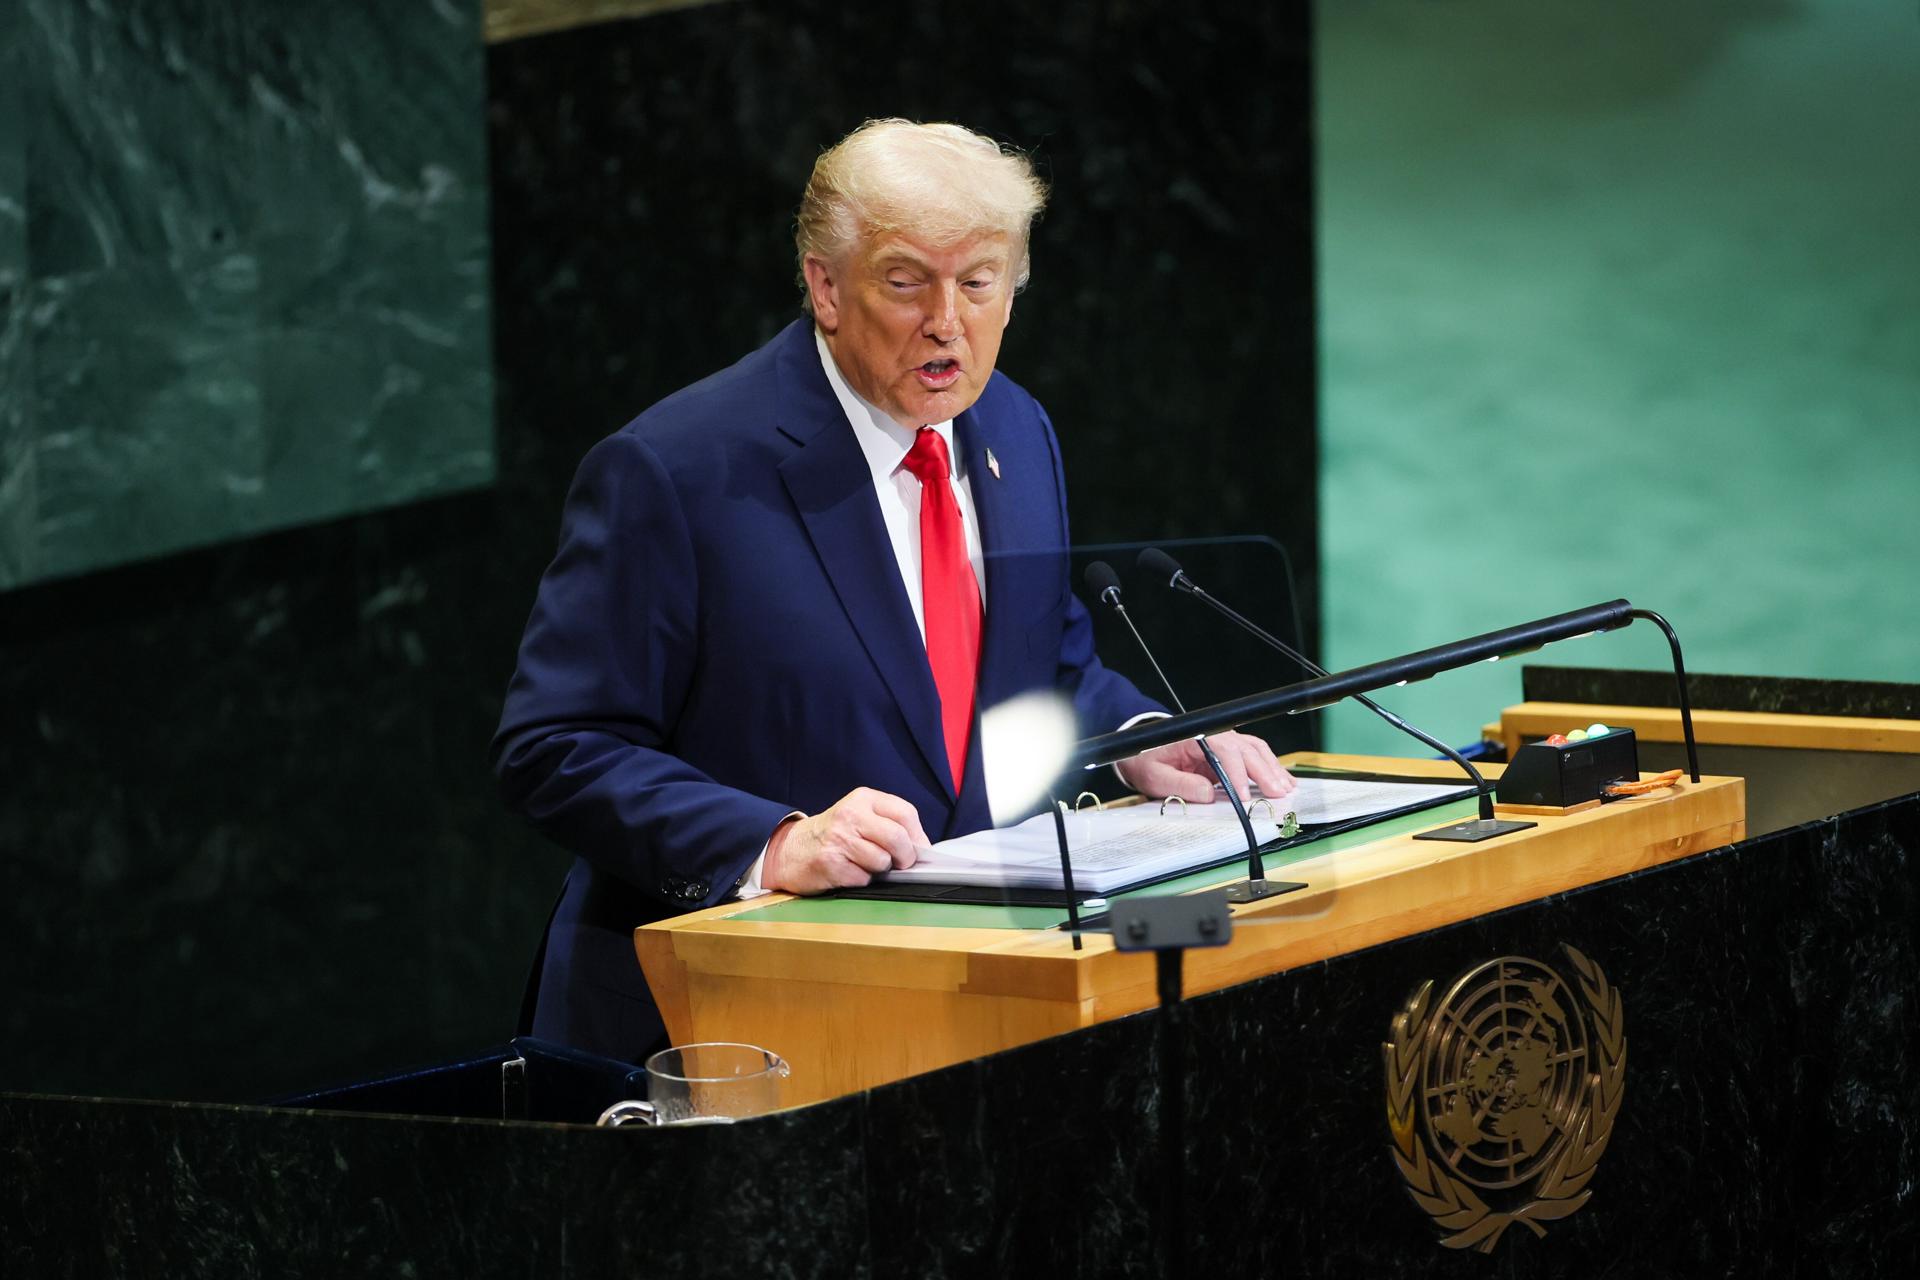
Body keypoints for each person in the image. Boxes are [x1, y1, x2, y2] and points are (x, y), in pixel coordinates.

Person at [492, 119, 1294, 1062]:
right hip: (726, 1031)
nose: (947, 320)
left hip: (963, 1004)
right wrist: (774, 843)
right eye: (907, 281)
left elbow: (1038, 664)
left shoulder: (1014, 430)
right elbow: (555, 746)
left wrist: (1139, 742)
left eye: (980, 281)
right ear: (826, 286)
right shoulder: (678, 471)